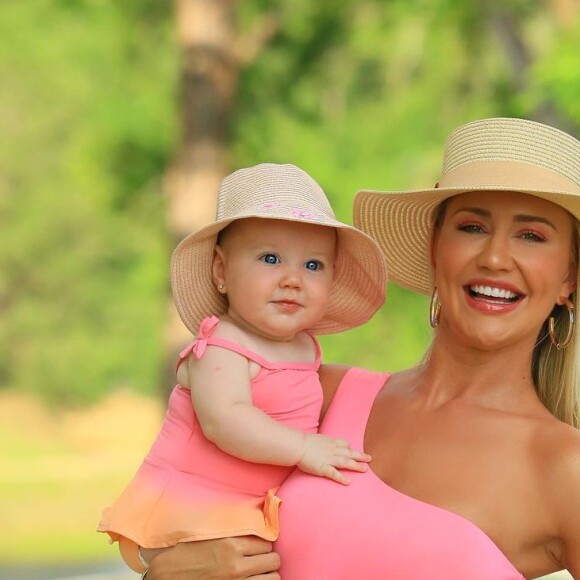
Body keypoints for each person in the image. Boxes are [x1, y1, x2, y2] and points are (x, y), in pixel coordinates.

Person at [143, 117, 580, 580]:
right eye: (471, 227)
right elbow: (172, 521)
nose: (494, 258)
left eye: (531, 236)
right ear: (435, 249)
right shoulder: (317, 395)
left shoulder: (563, 467)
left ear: (569, 278)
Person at [97, 163, 388, 573]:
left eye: (313, 266)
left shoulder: (306, 349)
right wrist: (304, 448)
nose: (293, 279)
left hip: (246, 512)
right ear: (221, 271)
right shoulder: (223, 346)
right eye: (270, 258)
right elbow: (225, 420)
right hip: (194, 508)